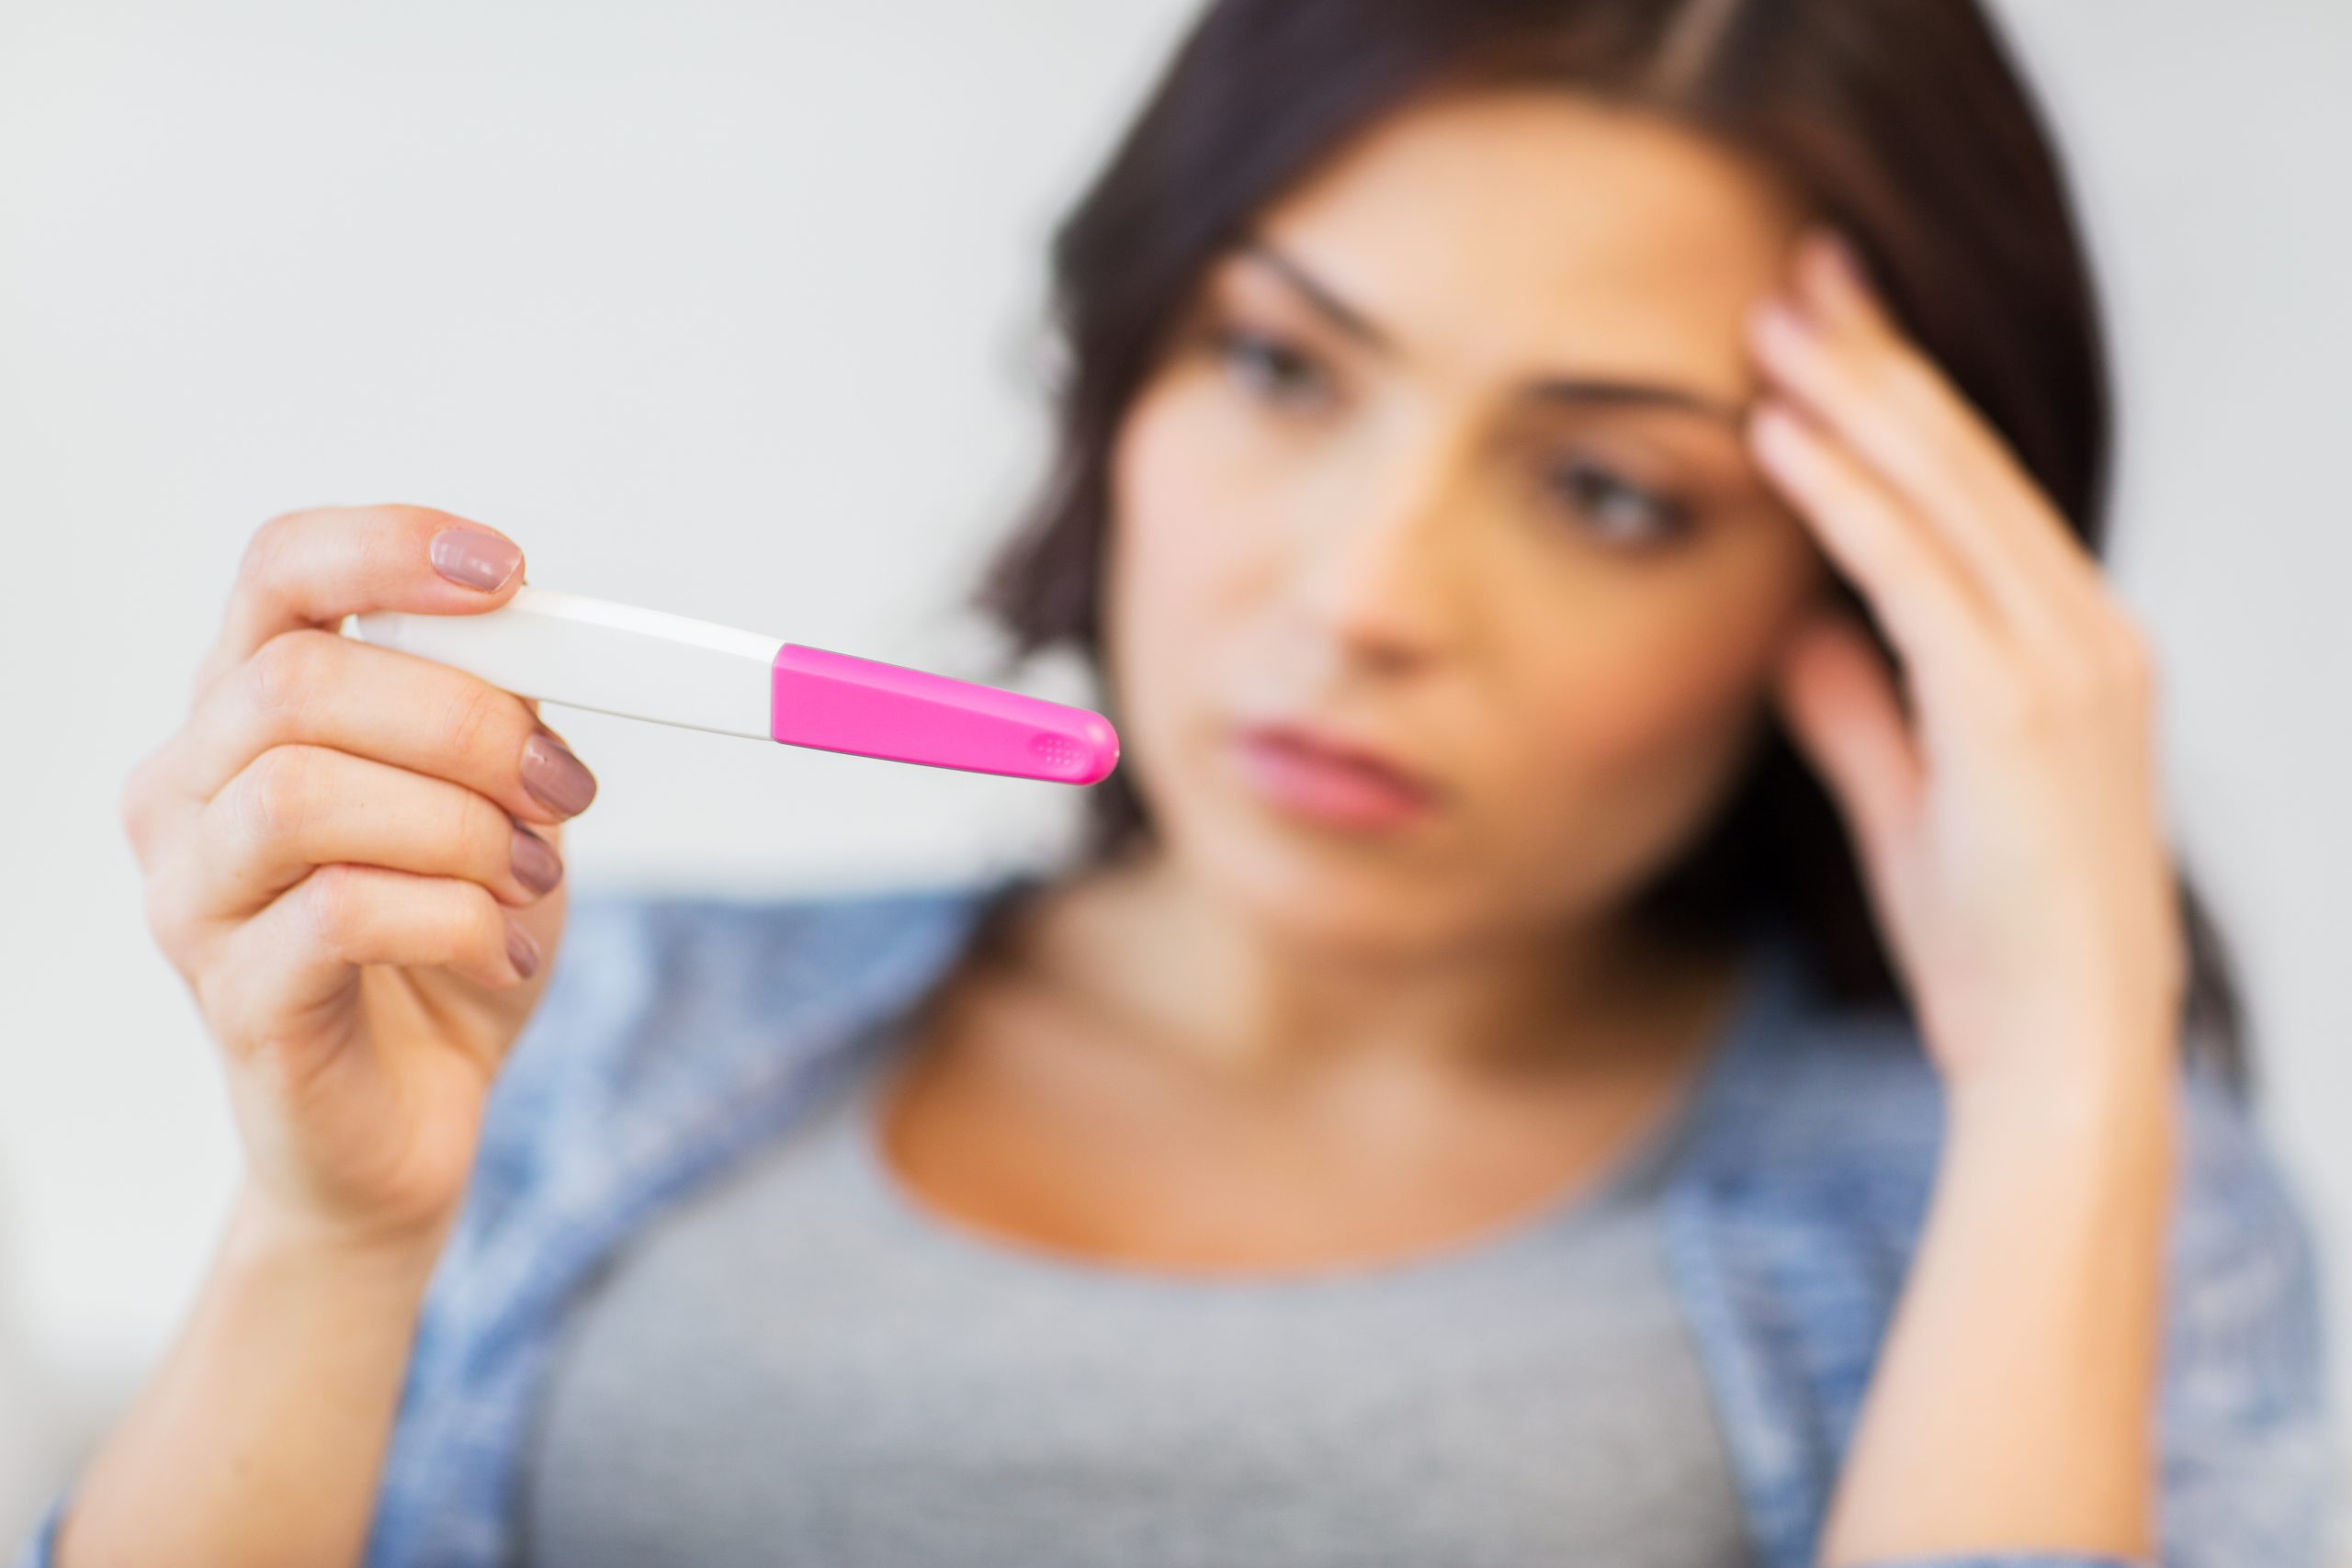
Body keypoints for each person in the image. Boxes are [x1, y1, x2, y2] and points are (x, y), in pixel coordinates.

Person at [23, 0, 2335, 1564]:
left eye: (1608, 490)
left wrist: (2061, 1066)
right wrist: (328, 1237)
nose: (1359, 596)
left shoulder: (2037, 1204)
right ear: (1124, 370)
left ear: (1868, 599)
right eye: (1277, 365)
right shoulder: (562, 1025)